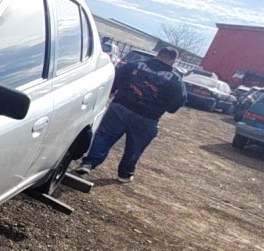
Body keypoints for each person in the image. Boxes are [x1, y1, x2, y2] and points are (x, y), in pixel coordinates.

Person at [74, 46, 186, 183]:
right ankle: (125, 174)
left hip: (120, 107)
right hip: (147, 117)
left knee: (104, 136)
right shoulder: (175, 79)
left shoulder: (134, 65)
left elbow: (114, 80)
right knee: (135, 146)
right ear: (173, 61)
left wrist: (112, 93)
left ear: (157, 54)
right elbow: (176, 104)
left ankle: (88, 163)